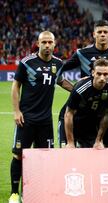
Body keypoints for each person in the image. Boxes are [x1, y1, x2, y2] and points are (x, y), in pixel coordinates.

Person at [9, 31, 72, 203]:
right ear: (38, 43)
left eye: (49, 42)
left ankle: (33, 192)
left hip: (45, 122)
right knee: (18, 155)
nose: (46, 45)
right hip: (26, 119)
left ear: (54, 44)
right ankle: (14, 193)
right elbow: (16, 87)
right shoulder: (27, 62)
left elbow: (61, 82)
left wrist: (78, 90)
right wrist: (16, 111)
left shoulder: (58, 63)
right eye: (43, 42)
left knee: (44, 158)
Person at [57, 19, 108, 148]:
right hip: (85, 106)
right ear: (94, 34)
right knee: (83, 145)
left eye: (105, 32)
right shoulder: (82, 53)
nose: (102, 34)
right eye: (100, 32)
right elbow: (58, 70)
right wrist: (75, 89)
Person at [64, 58, 108, 149]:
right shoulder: (80, 88)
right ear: (93, 73)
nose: (102, 78)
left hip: (90, 123)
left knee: (93, 154)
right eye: (99, 74)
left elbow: (106, 114)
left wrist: (98, 140)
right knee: (68, 153)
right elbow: (69, 113)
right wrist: (70, 142)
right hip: (72, 120)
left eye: (105, 74)